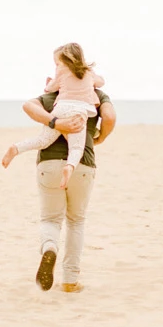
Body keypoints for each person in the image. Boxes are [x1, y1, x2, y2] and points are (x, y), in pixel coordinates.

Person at [18, 78, 116, 293]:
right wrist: (100, 137)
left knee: (50, 219)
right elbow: (109, 116)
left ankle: (50, 246)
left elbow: (28, 106)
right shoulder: (96, 95)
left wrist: (53, 122)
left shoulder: (52, 97)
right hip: (82, 164)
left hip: (49, 164)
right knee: (76, 221)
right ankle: (70, 280)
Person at [2, 42, 104, 181]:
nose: (57, 67)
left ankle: (16, 148)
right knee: (76, 148)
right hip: (79, 111)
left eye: (57, 63)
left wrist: (49, 84)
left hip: (60, 107)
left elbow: (50, 88)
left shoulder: (61, 72)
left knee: (43, 140)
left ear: (65, 61)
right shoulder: (89, 73)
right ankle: (69, 167)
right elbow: (100, 83)